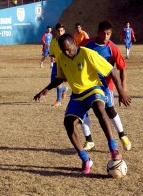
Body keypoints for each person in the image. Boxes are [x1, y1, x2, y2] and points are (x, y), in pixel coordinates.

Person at [33, 33, 131, 174]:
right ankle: (86, 160)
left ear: (74, 43)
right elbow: (60, 77)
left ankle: (113, 149)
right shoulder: (62, 58)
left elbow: (112, 71)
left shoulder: (87, 53)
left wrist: (121, 92)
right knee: (68, 123)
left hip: (93, 89)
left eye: (69, 49)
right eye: (63, 50)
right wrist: (46, 89)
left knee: (98, 108)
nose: (67, 52)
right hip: (77, 95)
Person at [80, 21, 132, 151]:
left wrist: (123, 90)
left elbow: (122, 68)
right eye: (103, 33)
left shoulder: (112, 48)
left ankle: (122, 135)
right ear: (98, 33)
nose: (106, 36)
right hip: (87, 83)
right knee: (83, 109)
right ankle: (89, 140)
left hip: (105, 85)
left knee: (109, 110)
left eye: (108, 34)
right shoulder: (87, 44)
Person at [49, 23, 68, 106]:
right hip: (56, 64)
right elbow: (52, 54)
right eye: (58, 31)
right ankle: (64, 89)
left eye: (61, 31)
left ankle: (58, 101)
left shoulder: (67, 41)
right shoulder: (53, 41)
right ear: (56, 32)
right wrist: (51, 63)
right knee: (53, 82)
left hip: (65, 64)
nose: (60, 32)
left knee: (58, 82)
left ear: (64, 31)